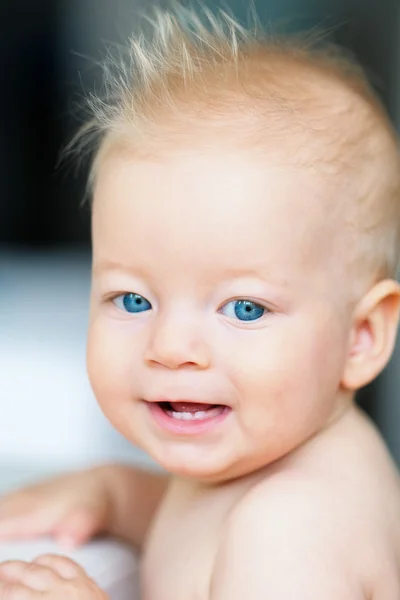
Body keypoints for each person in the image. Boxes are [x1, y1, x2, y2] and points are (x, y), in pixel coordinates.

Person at [1, 4, 400, 599]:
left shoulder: (292, 527)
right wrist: (115, 493)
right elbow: (200, 525)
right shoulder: (263, 463)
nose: (170, 348)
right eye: (133, 300)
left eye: (244, 309)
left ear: (361, 336)